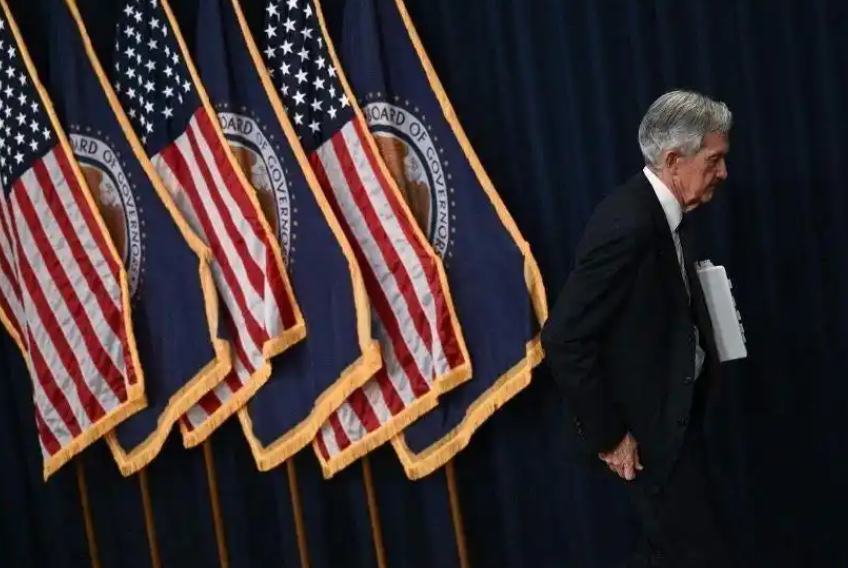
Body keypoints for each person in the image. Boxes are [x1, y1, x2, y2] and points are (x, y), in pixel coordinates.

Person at [541, 90, 735, 567]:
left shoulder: (666, 214)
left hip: (675, 419)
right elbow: (564, 337)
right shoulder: (629, 224)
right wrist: (610, 436)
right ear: (673, 161)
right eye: (714, 161)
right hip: (649, 438)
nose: (723, 173)